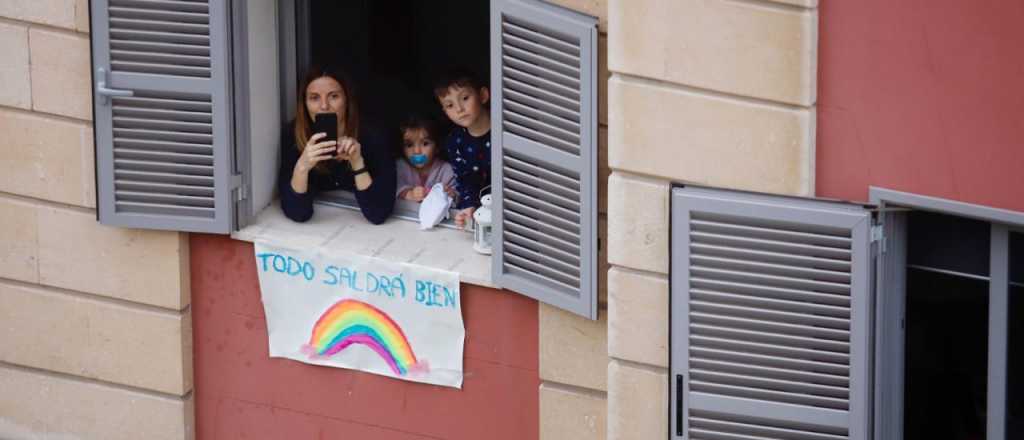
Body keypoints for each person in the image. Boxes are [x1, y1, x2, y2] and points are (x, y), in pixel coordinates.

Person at [279, 66, 396, 224]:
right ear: (304, 104)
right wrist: (302, 166)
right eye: (314, 98)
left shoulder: (373, 135)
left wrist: (357, 162)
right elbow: (297, 213)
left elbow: (378, 213)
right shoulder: (293, 135)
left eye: (333, 96)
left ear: (346, 99)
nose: (324, 106)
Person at [434, 68, 491, 228]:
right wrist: (469, 207)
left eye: (465, 98)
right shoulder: (455, 142)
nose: (459, 109)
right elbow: (465, 180)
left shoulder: (505, 131)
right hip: (484, 213)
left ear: (483, 96)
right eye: (450, 105)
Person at [395, 114, 456, 202]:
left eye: (425, 144)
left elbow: (457, 197)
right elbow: (393, 188)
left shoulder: (447, 170)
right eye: (409, 145)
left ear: (437, 146)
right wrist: (409, 194)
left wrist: (451, 194)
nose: (417, 151)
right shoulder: (400, 166)